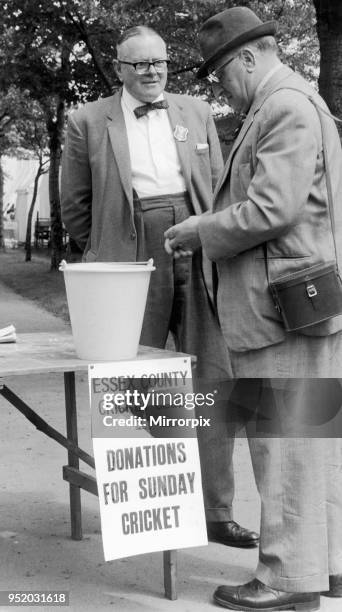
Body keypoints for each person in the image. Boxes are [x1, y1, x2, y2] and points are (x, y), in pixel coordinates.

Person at [165, 6, 342, 611]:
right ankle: (325, 565)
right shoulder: (292, 102)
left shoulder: (284, 107)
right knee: (309, 439)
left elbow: (272, 209)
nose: (220, 87)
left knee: (284, 441)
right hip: (300, 303)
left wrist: (200, 231)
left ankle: (287, 580)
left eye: (222, 74)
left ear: (249, 56)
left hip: (281, 310)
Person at [61, 25, 258, 549]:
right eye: (140, 64)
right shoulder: (86, 121)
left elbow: (219, 186)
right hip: (128, 256)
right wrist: (110, 250)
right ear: (120, 68)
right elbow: (75, 207)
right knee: (128, 377)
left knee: (214, 377)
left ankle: (216, 511)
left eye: (160, 63)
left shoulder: (196, 112)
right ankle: (169, 488)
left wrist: (211, 238)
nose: (152, 72)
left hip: (195, 242)